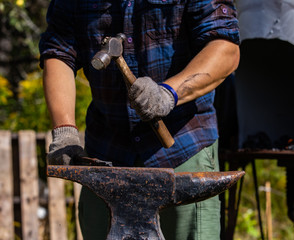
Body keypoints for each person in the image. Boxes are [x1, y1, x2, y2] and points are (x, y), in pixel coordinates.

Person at [39, 0, 240, 239]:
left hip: (183, 150)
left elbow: (225, 47)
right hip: (105, 156)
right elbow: (58, 52)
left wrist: (169, 93)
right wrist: (64, 129)